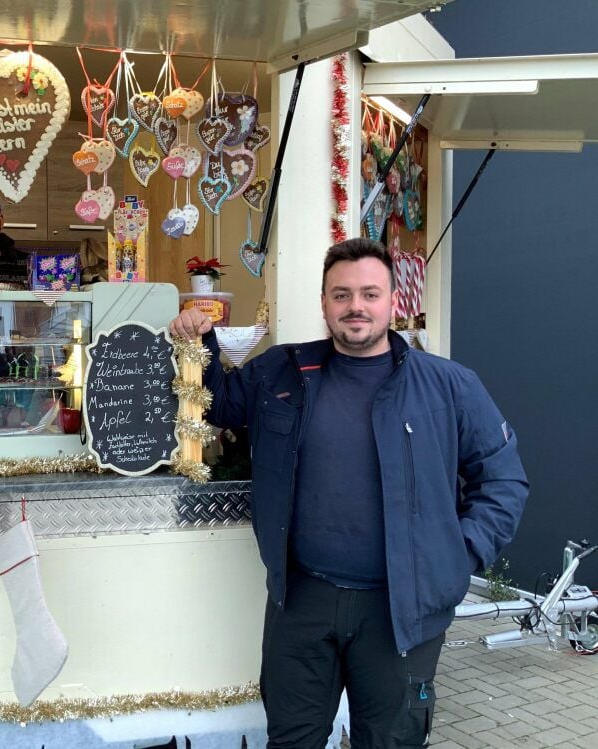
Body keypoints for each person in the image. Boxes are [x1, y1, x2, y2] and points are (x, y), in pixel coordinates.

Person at [169, 238, 528, 748]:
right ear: (324, 303)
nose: (355, 306)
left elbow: (503, 479)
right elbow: (220, 404)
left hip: (401, 609)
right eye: (341, 295)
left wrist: (459, 554)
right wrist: (197, 343)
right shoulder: (281, 372)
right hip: (301, 601)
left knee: (390, 741)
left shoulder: (449, 385)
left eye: (369, 293)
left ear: (392, 303)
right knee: (292, 740)